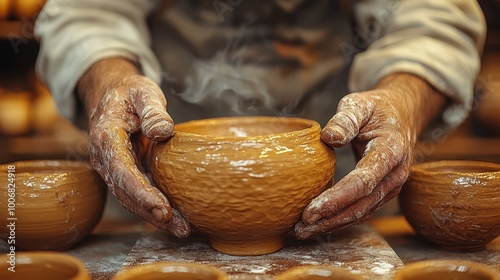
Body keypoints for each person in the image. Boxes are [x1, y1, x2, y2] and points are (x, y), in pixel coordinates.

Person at [34, 0, 486, 239]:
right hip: (161, 178)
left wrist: (402, 102)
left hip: (334, 169)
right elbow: (84, 15)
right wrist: (109, 82)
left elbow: (432, 19)